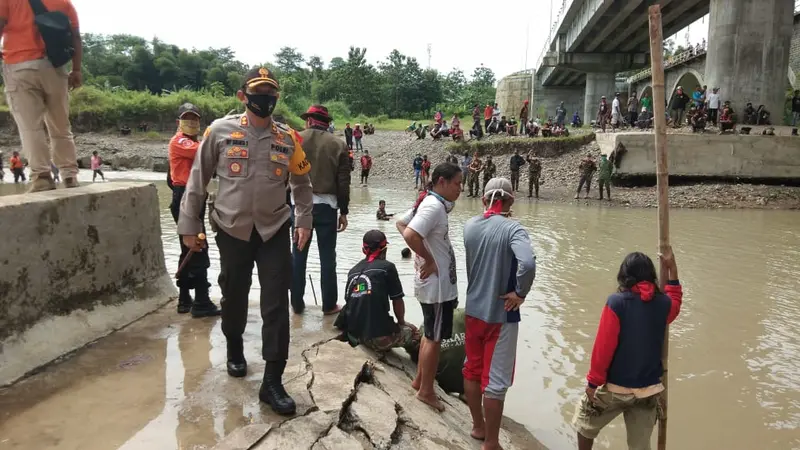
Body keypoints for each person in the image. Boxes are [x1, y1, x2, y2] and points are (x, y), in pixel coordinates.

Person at [178, 66, 313, 415]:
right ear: (243, 95)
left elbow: (301, 183)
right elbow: (198, 178)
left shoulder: (288, 139)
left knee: (275, 302)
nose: (264, 99)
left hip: (274, 229)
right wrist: (189, 226)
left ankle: (272, 380)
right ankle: (235, 347)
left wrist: (303, 220)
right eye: (258, 92)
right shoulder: (219, 131)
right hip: (231, 227)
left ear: (276, 97)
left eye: (270, 93)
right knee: (233, 294)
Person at [573, 248, 683, 450]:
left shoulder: (616, 303)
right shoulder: (662, 304)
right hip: (648, 390)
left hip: (616, 388)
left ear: (624, 277)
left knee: (584, 422)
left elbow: (603, 348)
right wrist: (672, 269)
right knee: (640, 446)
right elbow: (675, 302)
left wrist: (593, 383)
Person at [463, 177, 536, 449]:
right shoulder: (514, 229)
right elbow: (527, 264)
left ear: (484, 200)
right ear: (510, 201)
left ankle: (478, 427)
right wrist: (520, 294)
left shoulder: (469, 226)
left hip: (473, 311)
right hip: (501, 315)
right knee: (495, 383)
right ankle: (492, 443)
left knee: (471, 369)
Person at [397, 162, 462, 412]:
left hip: (435, 286)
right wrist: (429, 259)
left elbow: (401, 223)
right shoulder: (433, 206)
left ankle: (418, 381)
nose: (460, 188)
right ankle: (426, 391)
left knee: (429, 336)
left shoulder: (430, 202)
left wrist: (424, 256)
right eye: (457, 183)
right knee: (435, 339)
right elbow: (410, 234)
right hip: (437, 288)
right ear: (442, 182)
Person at [0, 0, 82, 192]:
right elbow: (75, 37)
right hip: (54, 67)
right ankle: (70, 176)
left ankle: (42, 177)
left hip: (19, 67)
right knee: (60, 125)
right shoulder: (64, 3)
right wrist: (76, 70)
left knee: (30, 127)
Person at [291, 104, 351, 316]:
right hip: (327, 207)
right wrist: (343, 211)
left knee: (298, 256)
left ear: (308, 120)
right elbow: (343, 182)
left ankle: (296, 305)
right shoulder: (338, 144)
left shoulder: (295, 138)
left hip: (298, 206)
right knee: (327, 258)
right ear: (326, 123)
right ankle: (328, 305)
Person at [167, 103, 221, 317]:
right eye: (187, 118)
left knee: (188, 249)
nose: (191, 122)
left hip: (190, 195)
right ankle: (201, 301)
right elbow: (205, 152)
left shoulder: (191, 142)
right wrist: (214, 135)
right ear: (178, 122)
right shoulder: (180, 141)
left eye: (195, 119)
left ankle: (184, 300)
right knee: (198, 248)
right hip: (185, 197)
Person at [334, 230, 419, 352]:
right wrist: (401, 322)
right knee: (415, 333)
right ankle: (421, 368)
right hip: (376, 338)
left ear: (364, 250)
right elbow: (397, 299)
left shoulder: (353, 271)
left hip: (354, 334)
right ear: (385, 249)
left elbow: (350, 300)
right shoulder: (387, 268)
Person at [405, 309, 467, 395]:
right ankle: (467, 394)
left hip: (442, 382)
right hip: (463, 384)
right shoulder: (463, 314)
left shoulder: (427, 326)